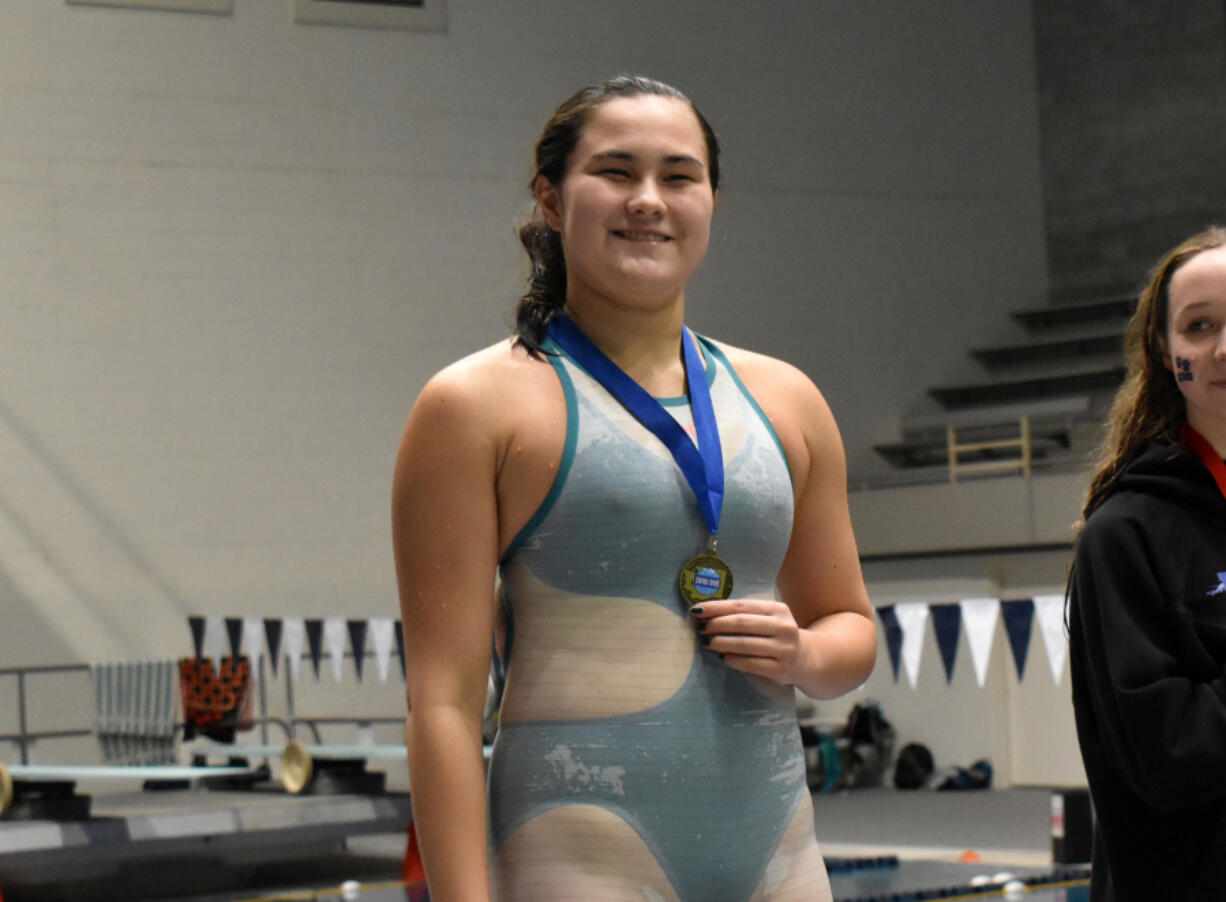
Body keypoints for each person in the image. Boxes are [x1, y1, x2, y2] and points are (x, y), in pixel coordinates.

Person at [391, 75, 877, 902]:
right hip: (575, 860)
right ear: (550, 199)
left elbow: (852, 633)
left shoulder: (787, 399)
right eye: (616, 172)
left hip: (781, 861)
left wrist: (803, 652)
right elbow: (441, 704)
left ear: (712, 200)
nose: (649, 200)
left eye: (679, 176)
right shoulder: (474, 406)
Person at [1068, 225, 1226, 902]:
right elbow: (1171, 756)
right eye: (1199, 326)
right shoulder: (1124, 534)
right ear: (1166, 353)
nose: (1224, 347)